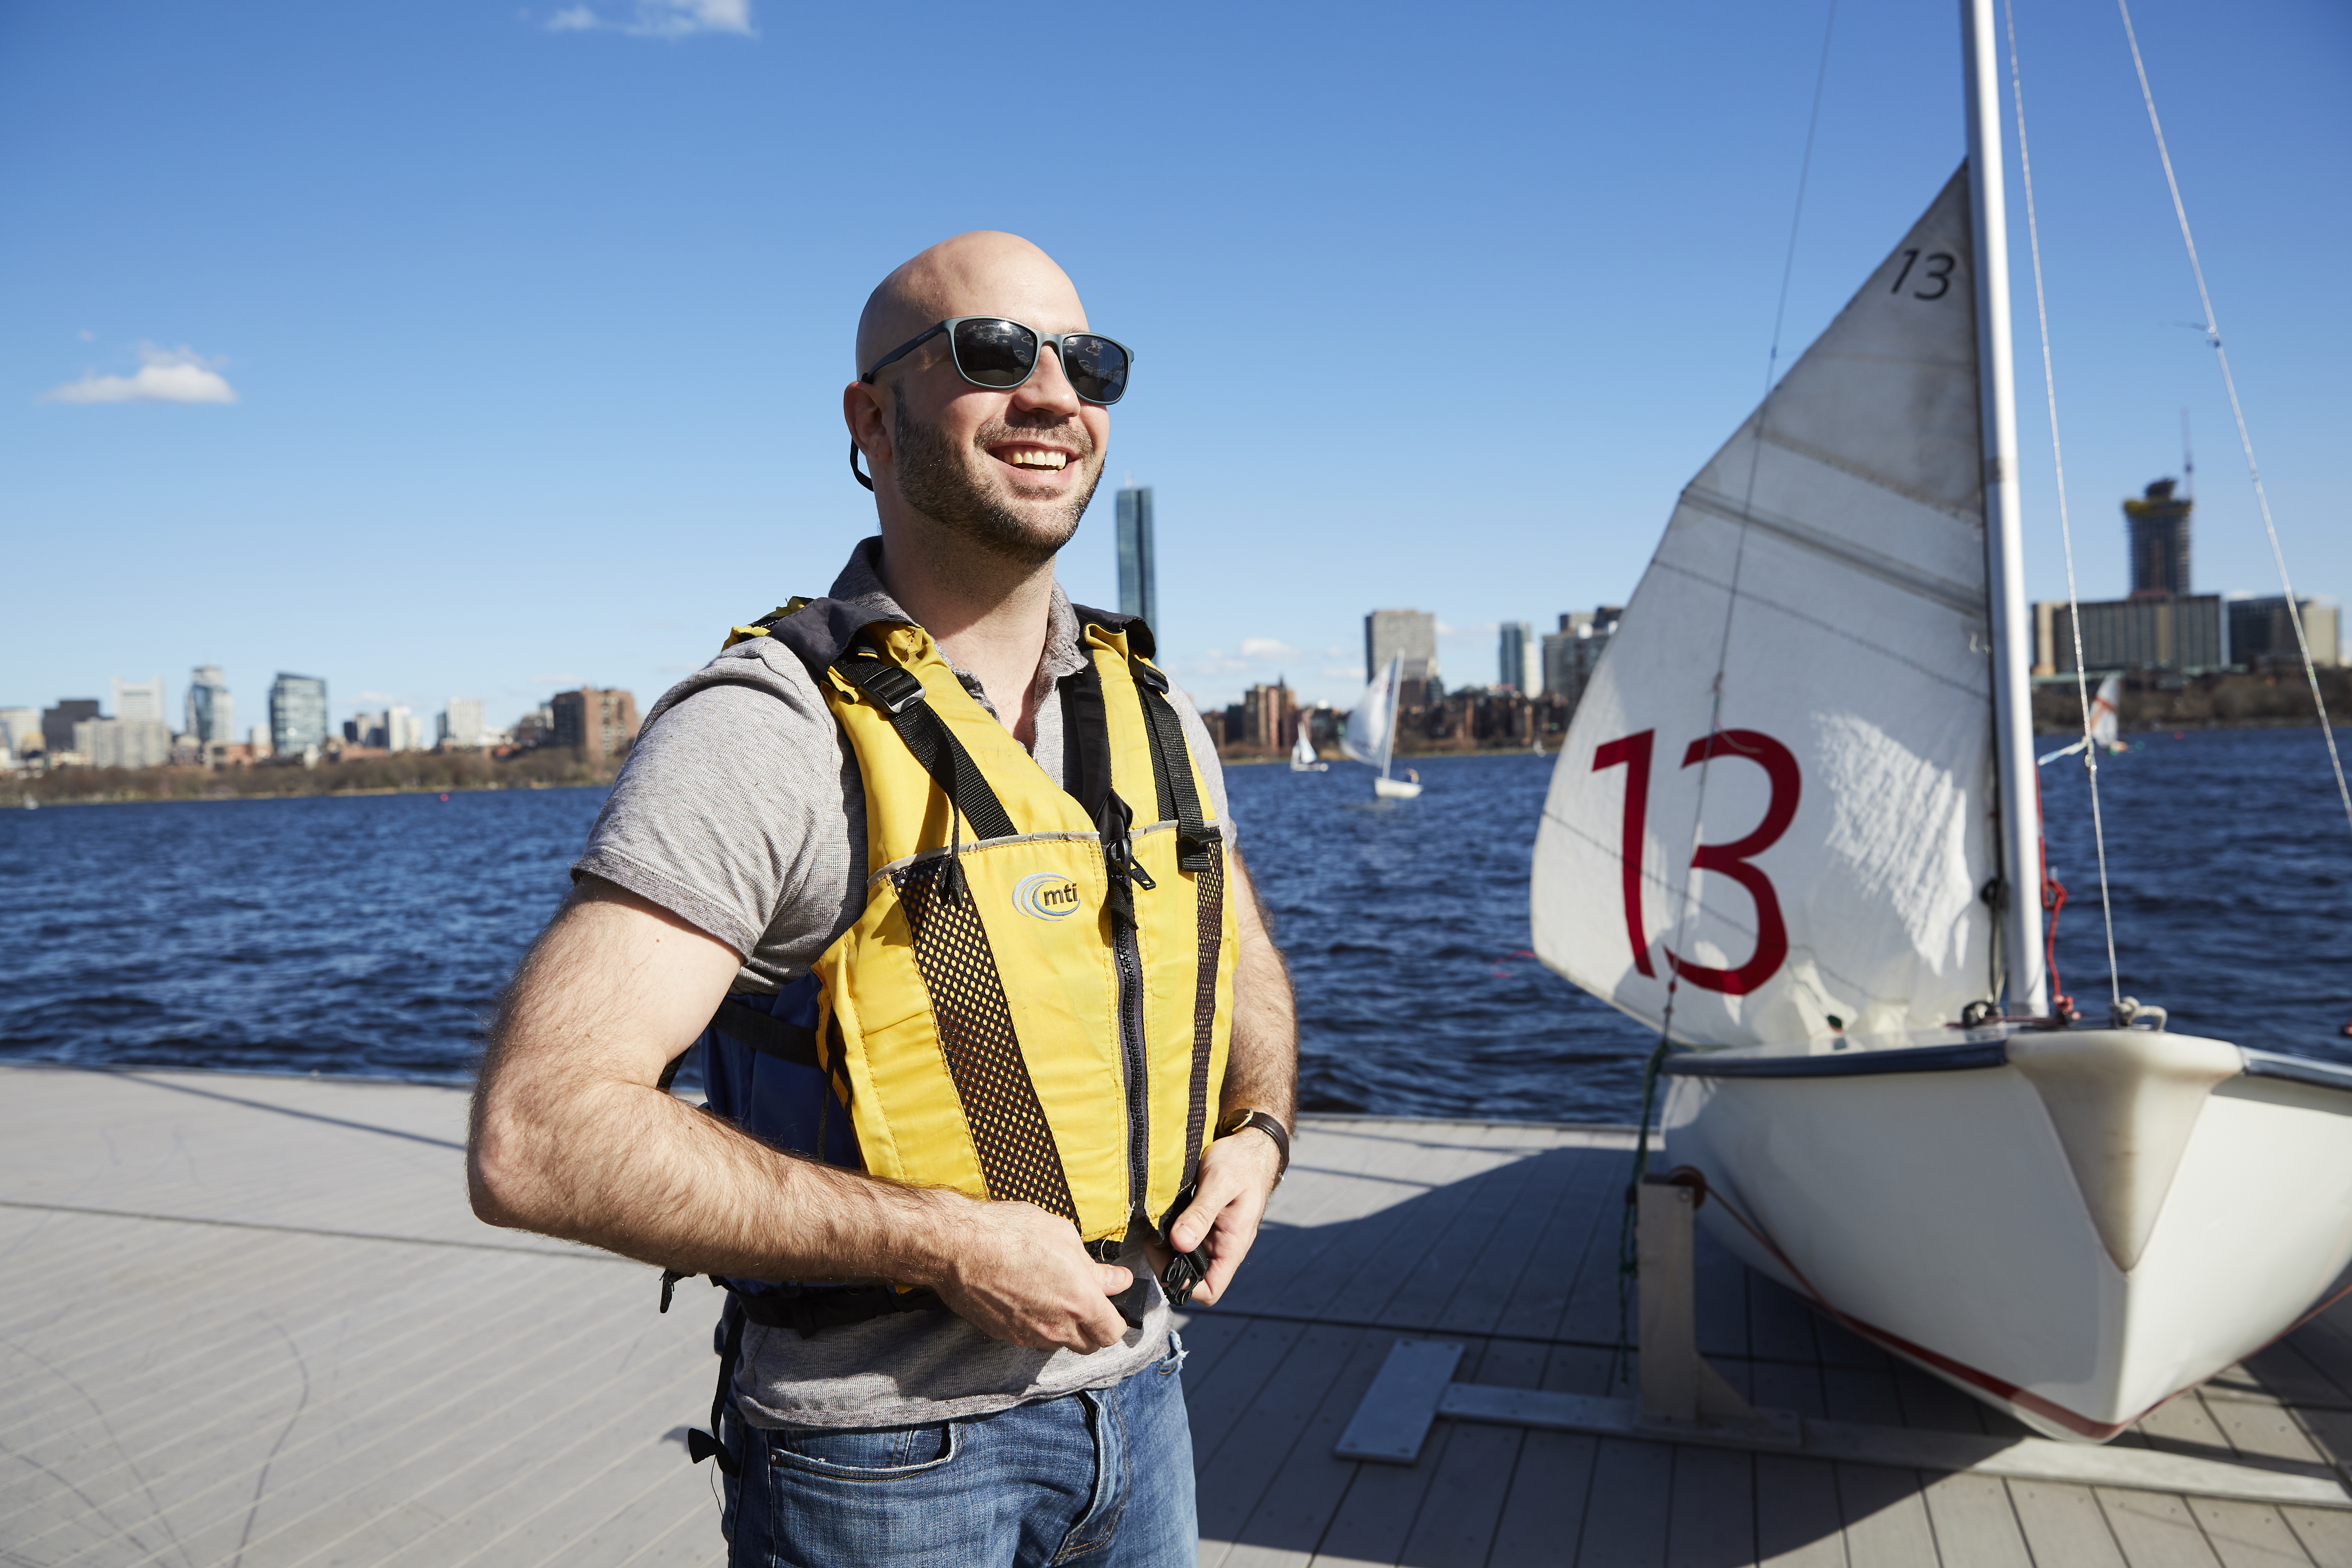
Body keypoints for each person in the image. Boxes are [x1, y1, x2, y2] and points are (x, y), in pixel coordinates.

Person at [468, 230, 1298, 1568]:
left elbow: (1236, 945)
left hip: (1146, 1406)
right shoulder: (767, 731)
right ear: (872, 416)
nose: (1052, 395)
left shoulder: (1158, 714)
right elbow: (538, 1134)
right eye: (992, 353)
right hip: (883, 1466)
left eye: (1089, 364)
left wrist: (1256, 1129)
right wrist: (945, 1241)